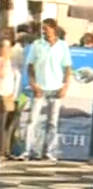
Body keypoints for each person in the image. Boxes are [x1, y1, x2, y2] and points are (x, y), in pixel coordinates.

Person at [19, 18, 72, 162]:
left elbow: (67, 67)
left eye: (46, 28)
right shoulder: (37, 45)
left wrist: (65, 86)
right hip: (40, 88)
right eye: (43, 28)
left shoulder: (62, 46)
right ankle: (27, 151)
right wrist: (33, 84)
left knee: (52, 122)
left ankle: (49, 151)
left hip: (56, 88)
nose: (44, 31)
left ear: (54, 29)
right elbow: (30, 66)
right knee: (32, 121)